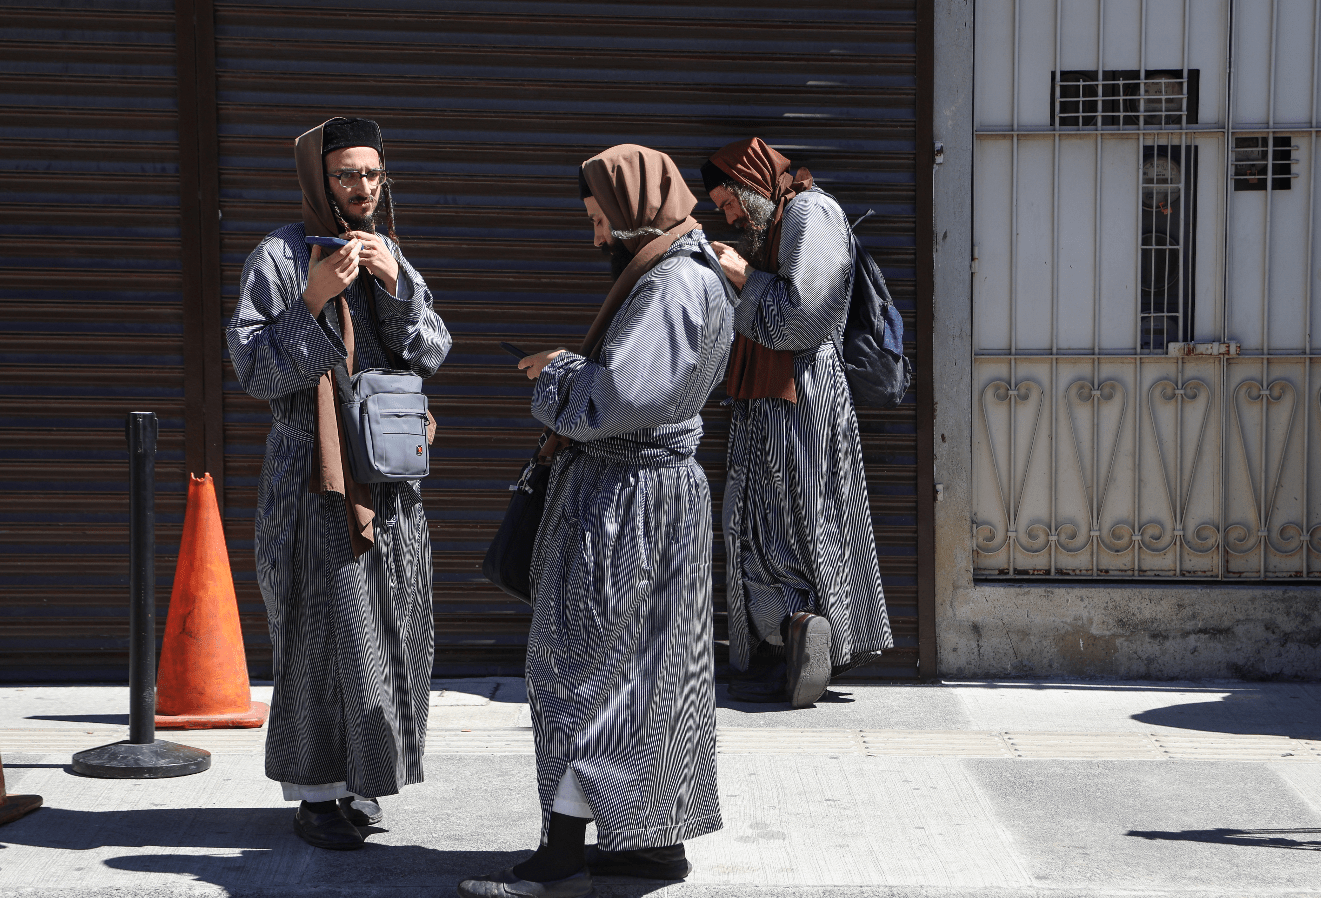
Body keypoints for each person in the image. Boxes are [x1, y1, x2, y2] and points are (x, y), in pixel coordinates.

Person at [458, 145, 731, 898]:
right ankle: (646, 846)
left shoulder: (672, 282)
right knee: (646, 676)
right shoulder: (687, 270)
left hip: (625, 504)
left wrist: (553, 370)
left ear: (632, 204)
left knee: (580, 671)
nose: (593, 236)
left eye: (597, 217)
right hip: (652, 498)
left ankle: (561, 858)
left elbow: (614, 403)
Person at [226, 117, 451, 850]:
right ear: (317, 180)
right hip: (311, 478)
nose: (362, 188)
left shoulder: (390, 251)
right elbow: (254, 369)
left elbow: (435, 351)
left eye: (373, 174)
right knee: (317, 635)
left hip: (389, 479)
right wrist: (314, 300)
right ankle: (316, 793)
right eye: (347, 174)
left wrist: (393, 286)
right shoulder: (279, 257)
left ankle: (366, 782)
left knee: (393, 632)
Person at [702, 137, 893, 709]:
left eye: (730, 201)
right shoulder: (775, 223)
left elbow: (803, 319)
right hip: (766, 401)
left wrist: (742, 278)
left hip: (803, 400)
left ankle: (804, 645)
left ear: (754, 182)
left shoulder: (814, 213)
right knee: (759, 526)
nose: (728, 215)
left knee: (802, 521)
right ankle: (779, 645)